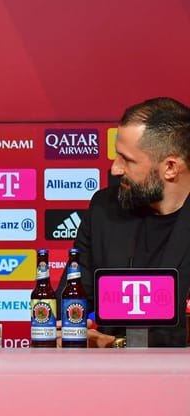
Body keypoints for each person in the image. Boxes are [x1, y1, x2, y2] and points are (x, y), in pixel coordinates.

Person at [59, 97, 190, 347]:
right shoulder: (104, 210)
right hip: (108, 370)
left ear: (171, 167)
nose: (115, 169)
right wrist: (68, 329)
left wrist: (118, 343)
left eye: (126, 159)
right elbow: (69, 302)